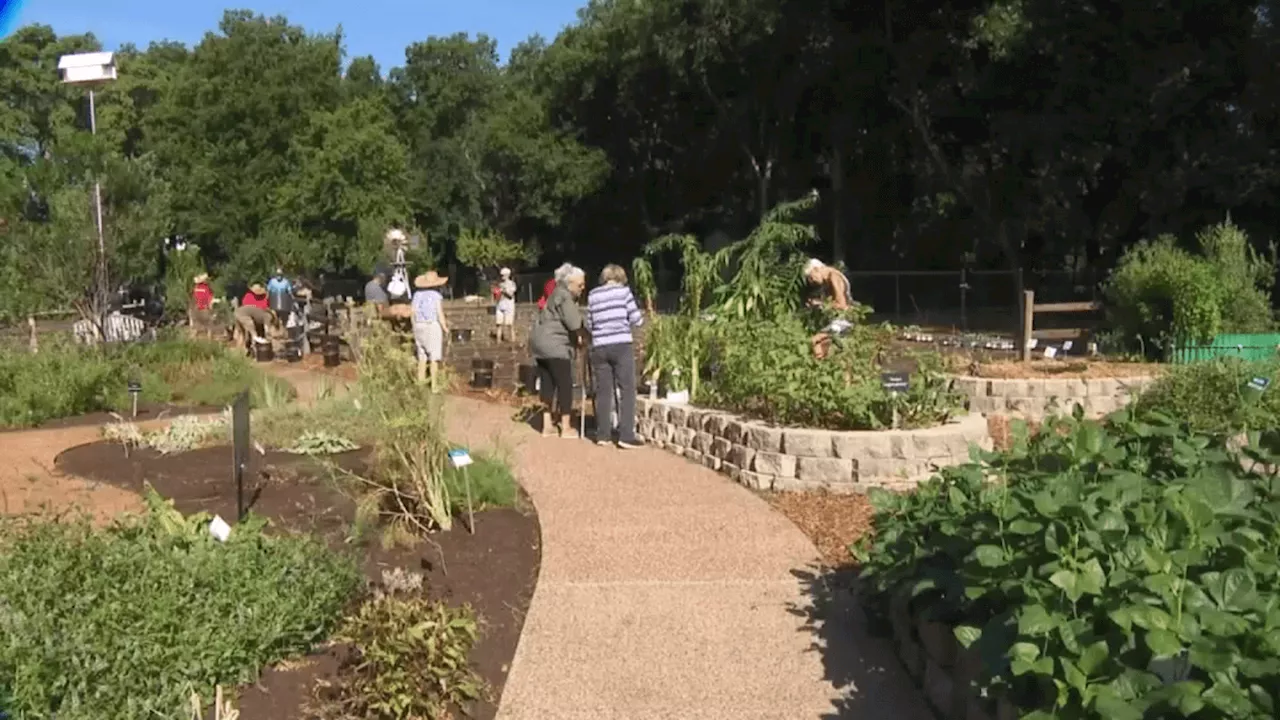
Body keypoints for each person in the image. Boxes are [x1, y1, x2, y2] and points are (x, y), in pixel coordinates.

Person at [585, 264, 644, 448]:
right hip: (621, 344)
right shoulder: (624, 293)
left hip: (600, 346)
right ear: (621, 277)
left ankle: (603, 434)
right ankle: (626, 435)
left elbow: (589, 322)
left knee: (603, 391)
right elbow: (636, 319)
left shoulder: (593, 295)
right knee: (626, 389)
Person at [530, 265, 586, 438]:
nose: (583, 288)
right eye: (580, 285)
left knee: (547, 383)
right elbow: (574, 322)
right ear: (569, 283)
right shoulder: (564, 296)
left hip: (540, 343)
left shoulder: (554, 294)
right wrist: (583, 337)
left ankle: (547, 426)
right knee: (564, 384)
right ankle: (566, 426)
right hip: (556, 345)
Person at [804, 258, 855, 359]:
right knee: (821, 349)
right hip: (839, 320)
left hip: (843, 320)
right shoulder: (829, 280)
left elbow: (842, 305)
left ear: (816, 269)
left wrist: (819, 303)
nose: (811, 281)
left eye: (811, 277)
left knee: (815, 341)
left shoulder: (834, 277)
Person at [410, 271, 450, 391]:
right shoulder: (436, 295)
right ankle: (434, 385)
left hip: (418, 325)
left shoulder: (416, 295)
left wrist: (414, 326)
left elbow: (412, 312)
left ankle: (420, 383)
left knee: (421, 356)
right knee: (434, 357)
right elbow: (439, 313)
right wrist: (445, 328)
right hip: (431, 325)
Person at [235, 283, 273, 349]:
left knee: (246, 333)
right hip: (248, 317)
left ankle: (243, 351)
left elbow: (266, 308)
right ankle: (250, 349)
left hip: (255, 318)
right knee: (247, 333)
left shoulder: (264, 297)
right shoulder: (248, 296)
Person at [494, 267, 517, 342]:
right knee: (498, 324)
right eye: (501, 275)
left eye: (503, 275)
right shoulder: (499, 284)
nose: (501, 277)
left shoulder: (512, 284)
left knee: (510, 324)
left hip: (509, 305)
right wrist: (496, 293)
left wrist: (504, 290)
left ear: (507, 275)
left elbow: (510, 294)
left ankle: (513, 340)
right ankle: (498, 340)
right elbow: (496, 295)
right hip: (500, 304)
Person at [191, 273, 215, 341]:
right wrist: (211, 310)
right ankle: (210, 342)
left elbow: (194, 298)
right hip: (204, 309)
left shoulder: (196, 288)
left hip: (196, 309)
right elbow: (209, 299)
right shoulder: (206, 288)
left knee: (196, 327)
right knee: (210, 326)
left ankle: (193, 341)